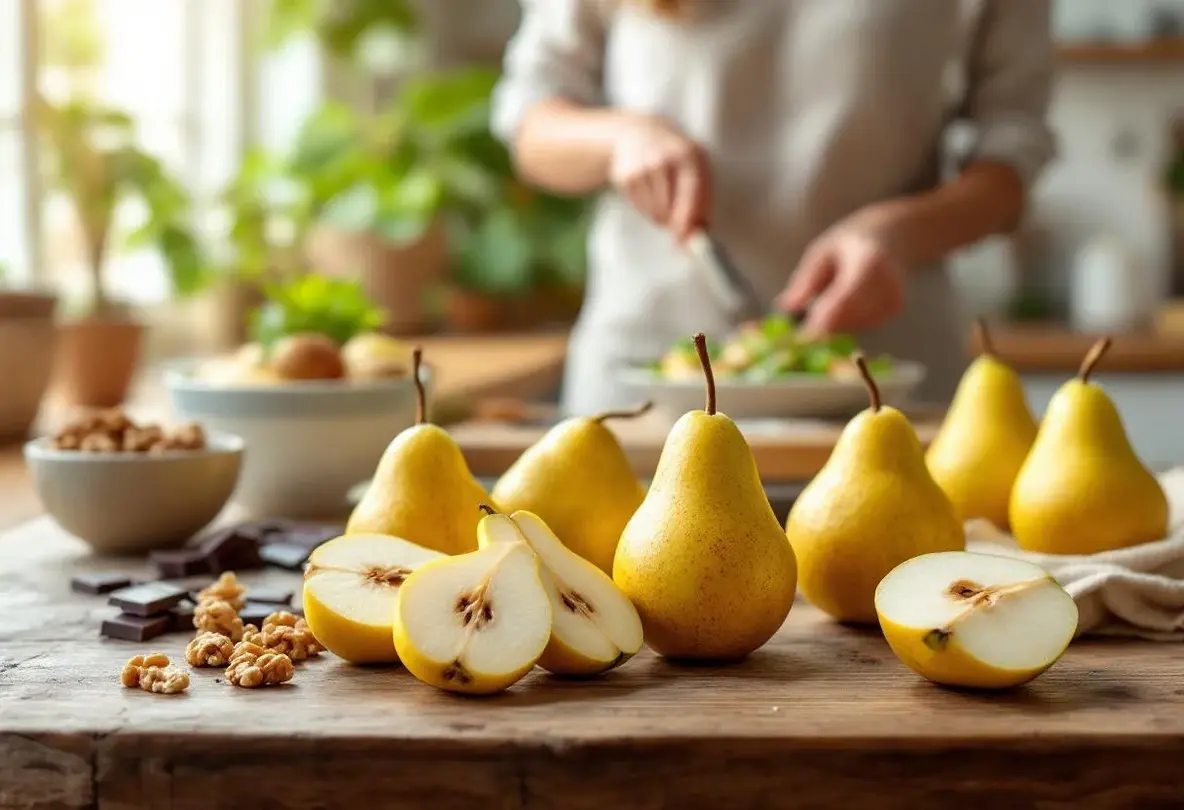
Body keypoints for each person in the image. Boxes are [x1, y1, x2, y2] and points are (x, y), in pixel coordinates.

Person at [492, 0, 1055, 414]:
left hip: (888, 385)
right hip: (647, 379)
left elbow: (1011, 160)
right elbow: (531, 125)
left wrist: (901, 233)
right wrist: (620, 139)